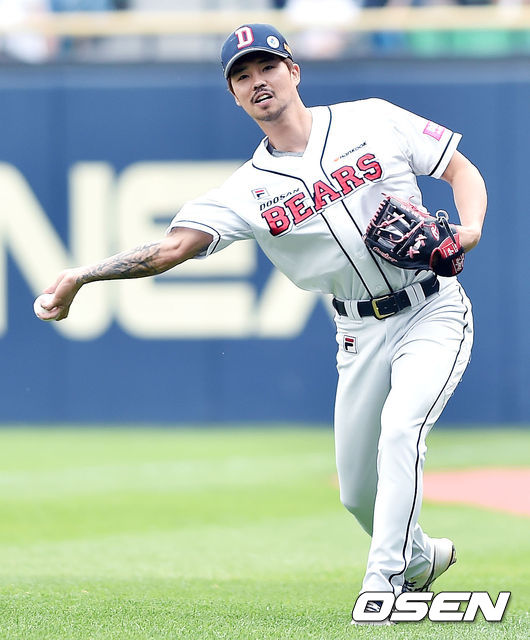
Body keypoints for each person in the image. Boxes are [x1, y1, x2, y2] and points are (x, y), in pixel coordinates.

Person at [37, 23, 487, 624]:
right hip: (356, 332)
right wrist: (82, 275)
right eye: (242, 76)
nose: (258, 82)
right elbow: (170, 249)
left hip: (431, 307)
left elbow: (459, 169)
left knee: (401, 430)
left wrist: (468, 229)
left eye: (267, 67)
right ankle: (420, 557)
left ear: (294, 71)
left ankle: (385, 585)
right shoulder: (246, 191)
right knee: (357, 491)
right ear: (234, 95)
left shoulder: (372, 119)